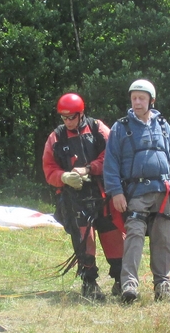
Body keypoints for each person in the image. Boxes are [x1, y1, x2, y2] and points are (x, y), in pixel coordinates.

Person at [103, 79, 170, 303]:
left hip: (162, 193)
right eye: (134, 98)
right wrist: (116, 192)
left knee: (163, 238)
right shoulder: (120, 128)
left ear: (151, 100)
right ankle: (129, 285)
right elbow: (110, 163)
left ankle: (163, 286)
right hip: (135, 194)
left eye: (141, 98)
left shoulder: (163, 126)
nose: (137, 102)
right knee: (134, 235)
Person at [43, 93, 125, 300]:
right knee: (83, 239)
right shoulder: (56, 137)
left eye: (72, 117)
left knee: (113, 237)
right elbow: (49, 169)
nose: (68, 121)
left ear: (81, 114)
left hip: (102, 193)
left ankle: (121, 279)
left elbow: (112, 155)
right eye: (64, 117)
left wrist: (89, 169)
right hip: (74, 198)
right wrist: (64, 177)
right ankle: (89, 283)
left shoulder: (98, 129)